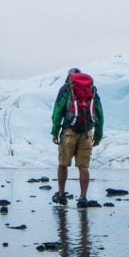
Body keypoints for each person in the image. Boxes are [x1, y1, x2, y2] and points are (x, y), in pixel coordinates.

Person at [51, 68, 104, 208]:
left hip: (69, 132)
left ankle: (61, 195)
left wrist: (55, 131)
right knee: (83, 167)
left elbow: (58, 111)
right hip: (87, 133)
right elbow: (99, 112)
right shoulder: (91, 90)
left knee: (63, 164)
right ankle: (83, 198)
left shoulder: (66, 89)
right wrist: (98, 134)